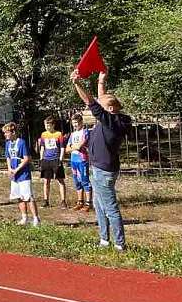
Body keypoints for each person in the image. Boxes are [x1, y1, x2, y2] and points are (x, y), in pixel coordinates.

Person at [71, 70, 132, 251]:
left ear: (111, 109)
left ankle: (120, 244)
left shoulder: (113, 123)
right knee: (99, 206)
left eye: (103, 104)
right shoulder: (112, 118)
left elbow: (89, 102)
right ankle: (104, 240)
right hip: (98, 169)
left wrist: (77, 84)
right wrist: (100, 82)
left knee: (111, 208)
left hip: (103, 172)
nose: (99, 104)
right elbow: (99, 99)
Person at [3, 122, 41, 227]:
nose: (5, 135)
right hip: (14, 174)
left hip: (23, 173)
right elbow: (8, 157)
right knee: (19, 196)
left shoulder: (22, 142)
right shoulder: (8, 144)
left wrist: (17, 169)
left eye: (7, 133)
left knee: (28, 196)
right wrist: (10, 168)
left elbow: (27, 159)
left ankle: (36, 218)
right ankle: (24, 217)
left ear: (13, 132)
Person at [38, 115, 68, 208]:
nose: (47, 127)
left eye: (49, 125)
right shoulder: (43, 134)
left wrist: (60, 159)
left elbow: (62, 147)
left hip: (56, 159)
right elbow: (42, 147)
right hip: (46, 160)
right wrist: (41, 158)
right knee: (46, 181)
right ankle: (46, 200)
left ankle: (63, 201)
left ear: (53, 125)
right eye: (46, 125)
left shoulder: (59, 134)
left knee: (60, 180)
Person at [67, 113, 93, 212]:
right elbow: (67, 149)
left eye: (76, 123)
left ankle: (88, 203)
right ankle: (80, 202)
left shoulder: (85, 132)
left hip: (82, 159)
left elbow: (79, 146)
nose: (75, 125)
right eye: (73, 123)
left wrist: (73, 147)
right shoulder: (72, 134)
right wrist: (74, 147)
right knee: (77, 182)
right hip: (73, 159)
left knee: (85, 180)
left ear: (81, 122)